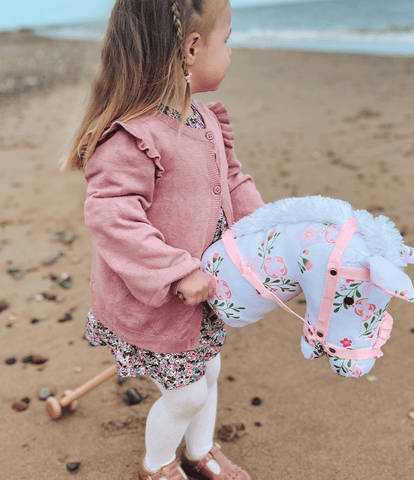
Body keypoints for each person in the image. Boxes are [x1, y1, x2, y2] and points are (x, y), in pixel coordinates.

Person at [63, 0, 264, 478]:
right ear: (193, 48)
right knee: (187, 391)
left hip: (202, 297)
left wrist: (267, 228)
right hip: (157, 301)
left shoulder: (207, 120)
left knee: (209, 371)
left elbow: (233, 181)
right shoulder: (133, 137)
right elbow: (112, 216)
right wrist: (176, 270)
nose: (232, 51)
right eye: (227, 39)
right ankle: (157, 465)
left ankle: (200, 451)